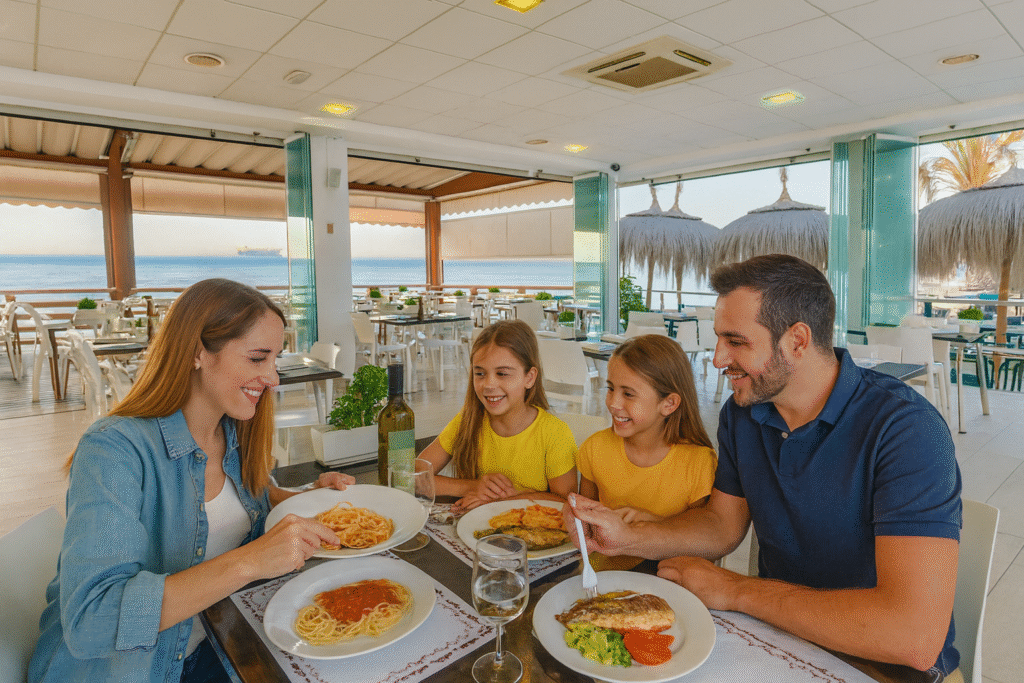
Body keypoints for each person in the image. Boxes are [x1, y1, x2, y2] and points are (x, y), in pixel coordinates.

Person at [566, 255, 963, 681]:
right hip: (778, 636)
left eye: (736, 342)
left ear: (796, 340)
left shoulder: (906, 430)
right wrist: (628, 537)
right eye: (720, 339)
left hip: (882, 664)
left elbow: (913, 637)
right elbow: (722, 525)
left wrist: (736, 590)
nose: (718, 359)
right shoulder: (745, 413)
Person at [30, 279, 354, 683]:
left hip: (218, 643)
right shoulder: (115, 450)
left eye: (275, 359)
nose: (272, 378)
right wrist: (250, 562)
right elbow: (91, 620)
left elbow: (251, 501)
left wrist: (304, 500)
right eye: (258, 358)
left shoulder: (233, 432)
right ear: (199, 352)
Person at [577, 334, 717, 570]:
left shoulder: (698, 461)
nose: (613, 403)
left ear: (669, 404)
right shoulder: (594, 448)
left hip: (667, 581)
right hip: (602, 575)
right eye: (611, 388)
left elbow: (703, 547)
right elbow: (585, 523)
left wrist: (655, 524)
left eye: (628, 394)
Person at [420, 319, 577, 513]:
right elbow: (413, 476)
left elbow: (566, 502)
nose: (489, 384)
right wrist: (474, 486)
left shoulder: (554, 433)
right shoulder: (468, 420)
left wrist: (504, 498)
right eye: (480, 373)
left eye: (502, 374)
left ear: (529, 377)